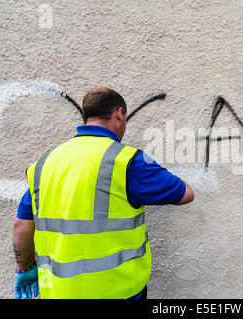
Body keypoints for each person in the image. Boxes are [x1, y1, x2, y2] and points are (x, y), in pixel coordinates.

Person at [12, 87, 194, 299]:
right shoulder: (126, 162)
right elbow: (185, 194)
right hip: (117, 291)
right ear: (119, 114)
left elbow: (21, 224)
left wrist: (25, 268)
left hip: (59, 293)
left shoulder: (45, 164)